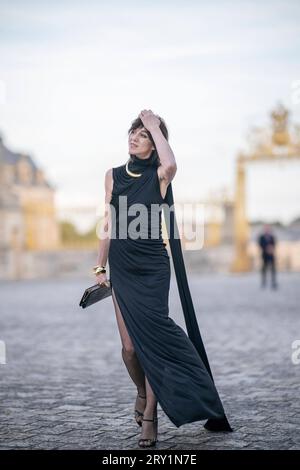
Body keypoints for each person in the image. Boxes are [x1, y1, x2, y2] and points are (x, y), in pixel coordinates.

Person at [94, 109, 232, 448]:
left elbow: (171, 164)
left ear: (154, 145)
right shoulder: (111, 175)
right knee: (129, 349)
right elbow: (108, 224)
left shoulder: (159, 173)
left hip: (153, 267)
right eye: (134, 132)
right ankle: (141, 391)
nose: (134, 137)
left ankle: (151, 416)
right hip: (122, 266)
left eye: (143, 135)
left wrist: (156, 127)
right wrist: (99, 267)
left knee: (153, 344)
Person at [257, 224, 278, 289]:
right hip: (264, 255)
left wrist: (271, 248)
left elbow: (274, 244)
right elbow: (260, 244)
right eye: (266, 229)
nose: (267, 230)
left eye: (268, 229)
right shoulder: (261, 237)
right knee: (264, 269)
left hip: (271, 255)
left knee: (273, 269)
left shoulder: (272, 237)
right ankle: (264, 282)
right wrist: (266, 248)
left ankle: (273, 282)